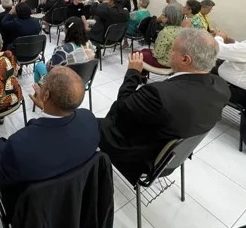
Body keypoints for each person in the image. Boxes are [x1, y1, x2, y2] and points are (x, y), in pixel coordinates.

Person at [98, 29, 231, 185]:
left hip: (141, 157)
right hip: (174, 157)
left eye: (172, 50)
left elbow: (122, 106)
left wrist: (133, 73)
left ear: (185, 59)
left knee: (87, 120)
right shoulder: (222, 88)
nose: (169, 53)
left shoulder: (159, 94)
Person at [0, 67, 99, 187]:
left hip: (29, 197)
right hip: (78, 188)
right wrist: (46, 107)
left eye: (43, 82)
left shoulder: (19, 145)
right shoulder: (89, 120)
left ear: (46, 95)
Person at [34, 17, 96, 84]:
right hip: (82, 84)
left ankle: (41, 89)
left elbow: (51, 70)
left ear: (67, 31)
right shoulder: (90, 44)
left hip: (64, 86)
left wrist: (48, 63)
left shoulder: (63, 50)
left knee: (39, 65)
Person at [140, 4, 183, 69]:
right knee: (144, 50)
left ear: (168, 18)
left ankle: (140, 74)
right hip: (175, 61)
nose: (161, 16)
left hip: (164, 63)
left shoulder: (165, 32)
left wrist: (153, 51)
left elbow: (158, 55)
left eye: (163, 15)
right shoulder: (182, 30)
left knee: (136, 54)